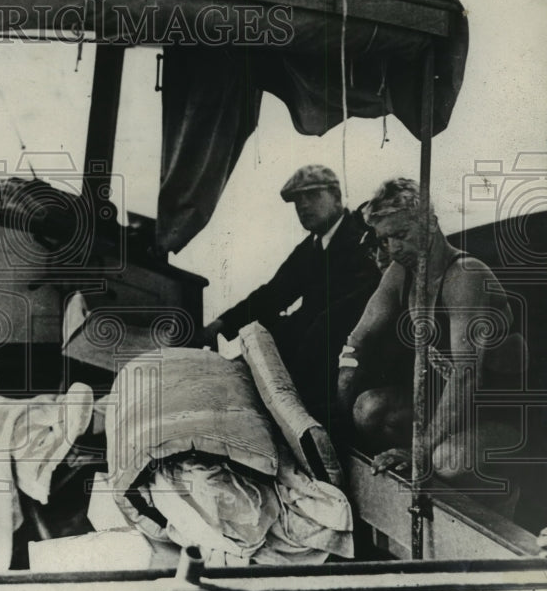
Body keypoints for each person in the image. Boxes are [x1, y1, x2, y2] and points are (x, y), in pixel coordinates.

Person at [337, 178, 525, 496]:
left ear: (431, 224)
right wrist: (338, 428)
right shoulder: (401, 272)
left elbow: (466, 375)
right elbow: (356, 343)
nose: (392, 249)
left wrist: (419, 450)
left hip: (503, 413)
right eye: (384, 241)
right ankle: (417, 478)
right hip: (451, 406)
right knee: (367, 410)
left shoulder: (465, 275)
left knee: (446, 460)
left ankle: (503, 498)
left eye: (401, 235)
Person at [203, 165, 380, 430]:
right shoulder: (311, 247)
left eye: (311, 196)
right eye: (297, 201)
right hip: (310, 347)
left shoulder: (358, 240)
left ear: (336, 195)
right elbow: (274, 293)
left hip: (340, 359)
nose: (303, 206)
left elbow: (335, 317)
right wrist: (220, 325)